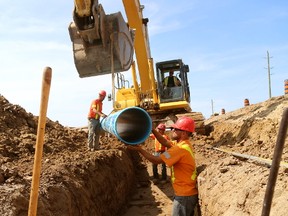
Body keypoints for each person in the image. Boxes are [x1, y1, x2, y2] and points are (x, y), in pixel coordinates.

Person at [128, 117, 198, 216]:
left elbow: (156, 160)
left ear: (184, 133)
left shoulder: (179, 149)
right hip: (188, 194)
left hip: (184, 196)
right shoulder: (183, 144)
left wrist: (140, 150)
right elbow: (164, 142)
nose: (172, 130)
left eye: (176, 129)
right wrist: (152, 129)